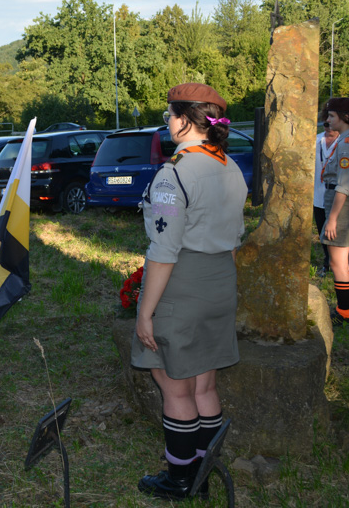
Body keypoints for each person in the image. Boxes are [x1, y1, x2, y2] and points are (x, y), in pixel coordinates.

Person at [132, 83, 247, 500]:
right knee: (205, 386)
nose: (168, 122)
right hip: (221, 280)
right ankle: (205, 471)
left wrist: (146, 311)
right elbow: (235, 239)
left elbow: (164, 251)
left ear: (183, 120)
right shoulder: (229, 167)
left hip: (181, 283)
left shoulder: (175, 172)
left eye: (169, 115)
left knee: (176, 387)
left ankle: (181, 479)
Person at [320, 97, 349, 328]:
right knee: (341, 261)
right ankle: (348, 307)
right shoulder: (347, 139)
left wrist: (332, 219)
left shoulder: (347, 143)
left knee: (337, 262)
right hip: (342, 203)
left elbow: (344, 185)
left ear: (345, 117)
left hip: (342, 205)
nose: (327, 120)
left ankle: (345, 312)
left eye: (331, 116)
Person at [313, 123, 339, 277]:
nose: (328, 126)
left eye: (331, 123)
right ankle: (327, 262)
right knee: (322, 231)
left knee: (335, 232)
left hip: (337, 195)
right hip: (318, 194)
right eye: (325, 123)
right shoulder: (316, 140)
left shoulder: (344, 141)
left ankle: (337, 263)